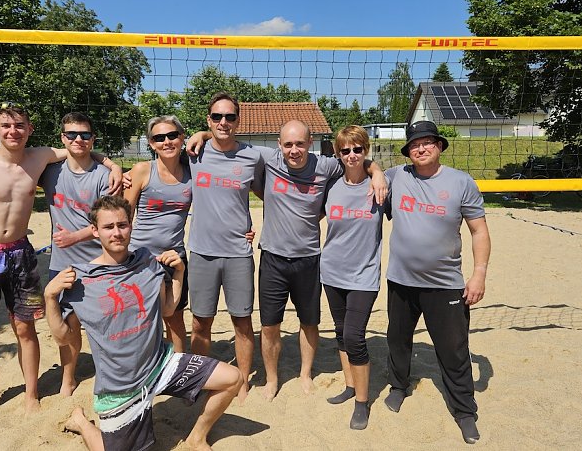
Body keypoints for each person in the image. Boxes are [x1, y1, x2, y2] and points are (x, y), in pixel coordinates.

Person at [187, 120, 386, 402]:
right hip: (272, 257)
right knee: (269, 325)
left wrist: (376, 171)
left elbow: (356, 159)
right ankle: (271, 379)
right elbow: (227, 139)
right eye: (289, 144)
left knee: (309, 323)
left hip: (309, 259)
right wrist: (203, 132)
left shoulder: (325, 165)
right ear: (279, 146)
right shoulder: (267, 158)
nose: (294, 150)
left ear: (311, 142)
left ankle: (305, 373)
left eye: (300, 143)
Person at [0, 102, 122, 422]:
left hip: (20, 252)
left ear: (29, 130)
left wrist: (112, 165)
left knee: (25, 328)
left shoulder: (39, 156)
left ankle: (31, 394)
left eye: (19, 126)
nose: (13, 131)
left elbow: (80, 149)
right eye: (6, 125)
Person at [45, 195, 242, 451]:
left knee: (232, 378)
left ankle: (196, 437)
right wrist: (50, 297)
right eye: (108, 227)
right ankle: (82, 422)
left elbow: (168, 308)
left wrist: (179, 273)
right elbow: (63, 338)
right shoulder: (80, 280)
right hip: (120, 387)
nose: (117, 233)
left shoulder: (147, 262)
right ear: (95, 231)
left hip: (160, 364)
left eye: (122, 225)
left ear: (131, 225)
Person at [382, 120, 491, 444]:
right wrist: (375, 173)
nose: (422, 147)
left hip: (444, 283)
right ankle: (399, 386)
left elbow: (479, 231)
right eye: (416, 143)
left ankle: (464, 411)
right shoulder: (397, 176)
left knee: (454, 349)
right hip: (401, 280)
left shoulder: (460, 182)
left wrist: (479, 273)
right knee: (398, 340)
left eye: (428, 141)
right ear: (408, 150)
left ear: (440, 146)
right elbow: (370, 168)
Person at [185, 92, 264, 404]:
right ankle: (200, 378)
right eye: (217, 117)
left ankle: (242, 381)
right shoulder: (194, 152)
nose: (223, 122)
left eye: (230, 117)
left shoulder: (253, 156)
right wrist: (199, 135)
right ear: (208, 120)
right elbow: (160, 144)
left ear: (238, 121)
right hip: (202, 252)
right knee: (200, 322)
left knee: (242, 322)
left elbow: (272, 191)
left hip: (238, 254)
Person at [39, 112, 110, 396]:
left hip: (98, 262)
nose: (78, 139)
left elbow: (110, 221)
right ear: (62, 139)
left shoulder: (104, 176)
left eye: (84, 134)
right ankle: (68, 377)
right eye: (71, 134)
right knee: (65, 325)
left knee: (103, 324)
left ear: (93, 138)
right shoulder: (49, 171)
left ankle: (108, 374)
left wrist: (75, 236)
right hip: (62, 262)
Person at [321, 126, 386, 430]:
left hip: (363, 275)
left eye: (357, 149)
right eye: (345, 150)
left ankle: (362, 402)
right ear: (338, 153)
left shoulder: (382, 186)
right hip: (332, 272)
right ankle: (349, 386)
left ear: (366, 150)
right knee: (340, 331)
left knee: (355, 337)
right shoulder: (330, 186)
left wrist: (379, 173)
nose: (351, 155)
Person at [123, 115, 193, 354]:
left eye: (172, 135)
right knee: (138, 322)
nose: (167, 142)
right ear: (151, 143)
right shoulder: (143, 171)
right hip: (139, 258)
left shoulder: (192, 173)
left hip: (174, 258)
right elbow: (124, 217)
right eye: (159, 138)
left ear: (182, 138)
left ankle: (179, 374)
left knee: (175, 321)